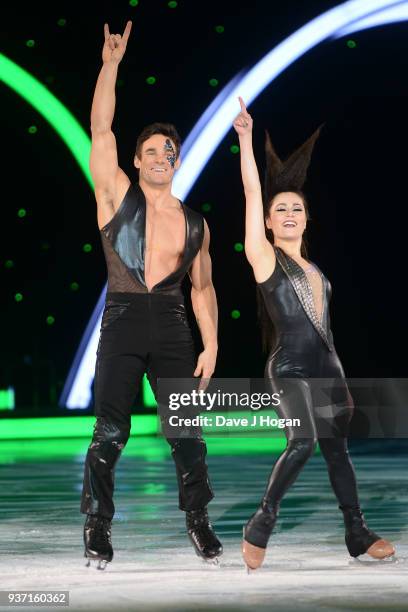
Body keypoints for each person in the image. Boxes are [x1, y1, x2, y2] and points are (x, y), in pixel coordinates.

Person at [81, 20, 222, 569]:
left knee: (186, 431)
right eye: (151, 149)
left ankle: (198, 522)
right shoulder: (116, 195)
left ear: (178, 159)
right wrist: (111, 65)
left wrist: (210, 345)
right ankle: (97, 527)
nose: (161, 154)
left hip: (171, 324)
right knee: (111, 430)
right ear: (136, 161)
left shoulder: (196, 224)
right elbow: (100, 128)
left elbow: (204, 287)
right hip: (122, 316)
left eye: (170, 149)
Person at [233, 97, 395, 570]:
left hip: (328, 369)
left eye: (295, 209)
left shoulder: (316, 268)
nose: (287, 213)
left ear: (306, 219)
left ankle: (357, 533)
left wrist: (341, 380)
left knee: (337, 452)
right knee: (301, 440)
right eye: (279, 208)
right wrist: (245, 139)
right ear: (267, 221)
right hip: (288, 369)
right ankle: (261, 521)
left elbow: (325, 330)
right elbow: (249, 189)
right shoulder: (266, 260)